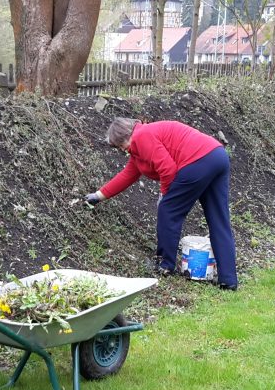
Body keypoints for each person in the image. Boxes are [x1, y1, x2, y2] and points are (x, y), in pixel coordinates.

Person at [85, 118, 238, 290]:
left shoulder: (142, 136)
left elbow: (168, 169)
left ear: (126, 134)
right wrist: (98, 195)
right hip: (216, 155)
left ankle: (165, 265)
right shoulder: (140, 146)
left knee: (168, 211)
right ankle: (228, 280)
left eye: (121, 144)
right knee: (218, 219)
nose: (122, 149)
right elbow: (127, 176)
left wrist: (164, 195)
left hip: (197, 160)